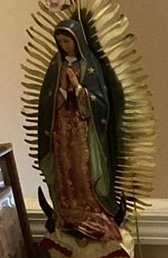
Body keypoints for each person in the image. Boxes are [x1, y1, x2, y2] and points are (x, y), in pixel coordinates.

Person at [38, 18, 122, 244]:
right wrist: (63, 91)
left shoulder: (90, 65)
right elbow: (47, 102)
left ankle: (91, 212)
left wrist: (77, 86)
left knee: (82, 167)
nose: (64, 45)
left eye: (67, 41)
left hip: (84, 130)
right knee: (65, 169)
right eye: (60, 41)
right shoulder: (56, 66)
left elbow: (101, 103)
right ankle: (68, 214)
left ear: (77, 41)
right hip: (61, 130)